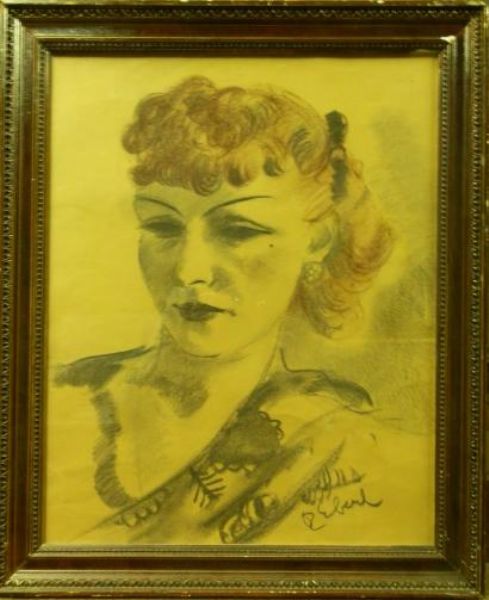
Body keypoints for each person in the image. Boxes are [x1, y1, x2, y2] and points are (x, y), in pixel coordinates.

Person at [48, 76, 432, 545]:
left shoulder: (347, 445)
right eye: (162, 227)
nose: (189, 271)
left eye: (239, 231)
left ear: (318, 240)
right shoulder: (52, 399)